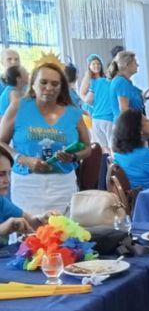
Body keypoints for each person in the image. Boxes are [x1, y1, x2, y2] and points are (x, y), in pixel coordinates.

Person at [0, 60, 92, 215]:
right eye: (43, 82)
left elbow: (87, 148)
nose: (49, 88)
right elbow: (1, 142)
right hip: (26, 184)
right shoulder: (18, 107)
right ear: (33, 84)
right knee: (28, 229)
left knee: (63, 228)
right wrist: (22, 159)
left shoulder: (73, 113)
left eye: (55, 84)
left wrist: (73, 157)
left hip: (63, 184)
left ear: (61, 87)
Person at [0, 147, 55, 243]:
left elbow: (31, 222)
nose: (7, 180)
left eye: (9, 174)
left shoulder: (2, 202)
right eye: (1, 174)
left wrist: (43, 219)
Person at [81, 54, 115, 152]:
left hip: (103, 113)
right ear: (89, 66)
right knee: (102, 143)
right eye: (93, 64)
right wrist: (91, 105)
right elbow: (82, 95)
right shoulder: (89, 79)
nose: (96, 66)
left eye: (98, 63)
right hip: (94, 112)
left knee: (106, 144)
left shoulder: (105, 78)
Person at [108, 51, 144, 121]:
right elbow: (124, 109)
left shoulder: (126, 82)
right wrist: (144, 120)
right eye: (135, 63)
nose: (137, 65)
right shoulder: (121, 82)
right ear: (127, 65)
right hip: (127, 124)